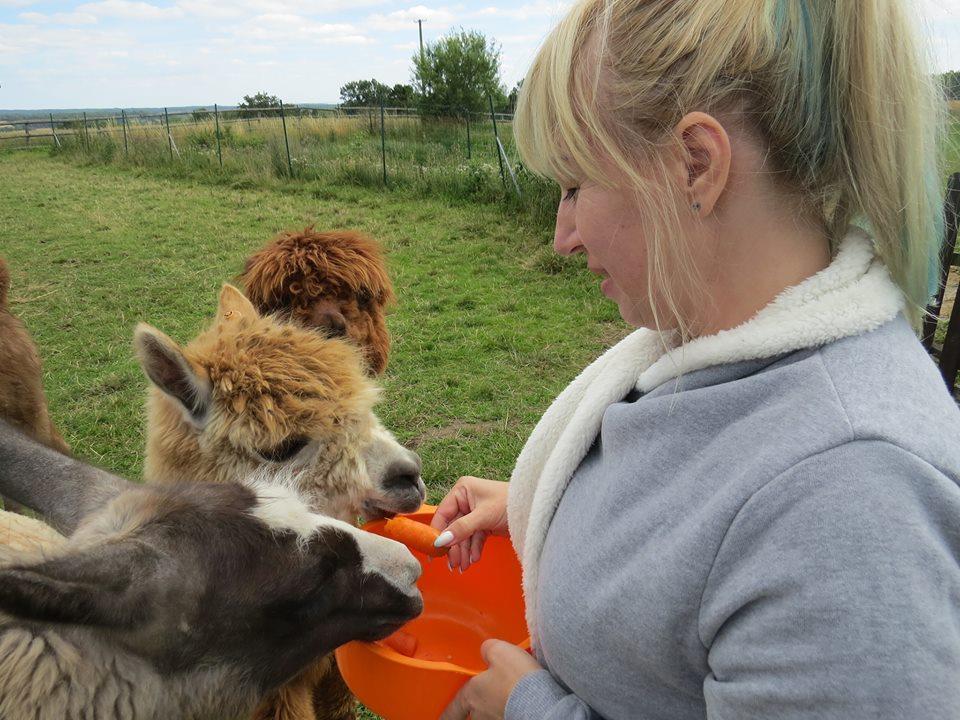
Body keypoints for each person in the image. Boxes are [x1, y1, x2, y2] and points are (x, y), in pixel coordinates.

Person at [430, 1, 960, 718]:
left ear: (695, 164)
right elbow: (707, 500)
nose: (563, 235)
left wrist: (527, 711)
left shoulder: (851, 499)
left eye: (574, 185)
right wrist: (557, 508)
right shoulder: (720, 352)